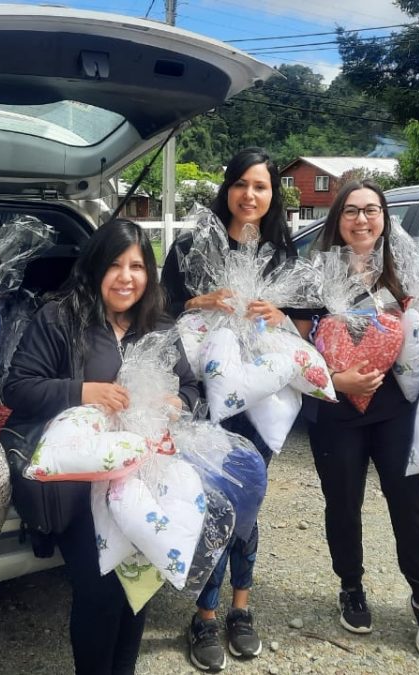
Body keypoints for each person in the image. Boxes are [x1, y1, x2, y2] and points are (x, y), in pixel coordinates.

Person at [2, 219, 201, 675]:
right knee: (98, 590)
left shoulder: (160, 327)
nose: (126, 277)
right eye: (114, 265)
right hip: (78, 480)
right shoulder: (60, 318)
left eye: (136, 266)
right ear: (94, 268)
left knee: (137, 585)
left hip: (140, 479)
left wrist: (178, 400)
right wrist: (82, 391)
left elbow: (191, 388)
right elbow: (17, 389)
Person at [296, 179, 419, 661]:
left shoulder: (405, 271)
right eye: (352, 212)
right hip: (336, 409)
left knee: (410, 502)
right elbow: (293, 347)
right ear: (336, 220)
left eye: (372, 210)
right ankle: (351, 586)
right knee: (342, 501)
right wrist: (336, 381)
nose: (362, 220)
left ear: (384, 218)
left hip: (393, 408)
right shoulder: (313, 276)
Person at [160, 147, 299, 671]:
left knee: (250, 500)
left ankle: (241, 606)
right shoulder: (194, 245)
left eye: (260, 187)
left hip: (261, 397)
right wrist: (200, 302)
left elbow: (304, 328)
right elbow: (160, 308)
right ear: (227, 188)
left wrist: (278, 312)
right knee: (213, 497)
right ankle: (205, 614)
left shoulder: (284, 254)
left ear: (272, 195)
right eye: (241, 184)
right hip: (204, 392)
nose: (249, 195)